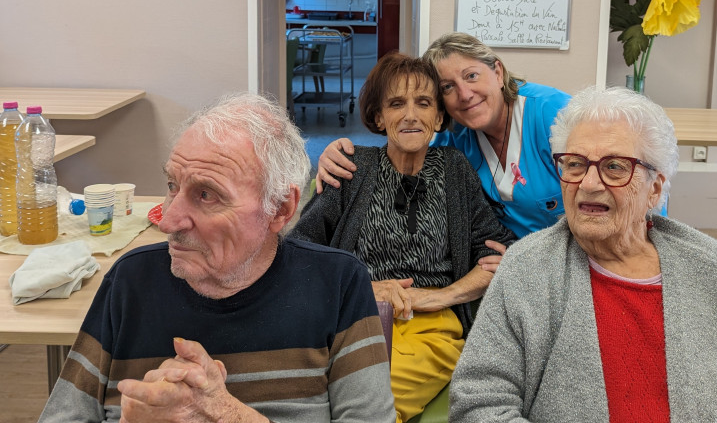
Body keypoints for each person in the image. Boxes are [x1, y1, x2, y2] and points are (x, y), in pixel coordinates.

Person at [449, 85, 717, 423]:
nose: (588, 183)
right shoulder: (526, 271)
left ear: (655, 190)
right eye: (574, 164)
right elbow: (479, 401)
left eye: (615, 166)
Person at [39, 93, 395, 423]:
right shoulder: (132, 280)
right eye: (172, 186)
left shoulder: (337, 282)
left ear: (281, 209)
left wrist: (227, 415)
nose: (170, 221)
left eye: (207, 194)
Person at [290, 53, 516, 423]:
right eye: (397, 103)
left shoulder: (455, 170)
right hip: (350, 323)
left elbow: (497, 254)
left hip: (431, 329)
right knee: (310, 396)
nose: (411, 115)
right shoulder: (352, 168)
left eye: (423, 103)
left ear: (439, 117)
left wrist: (440, 296)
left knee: (372, 402)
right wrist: (364, 288)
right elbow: (297, 255)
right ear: (380, 117)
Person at [316, 32, 570, 238]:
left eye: (471, 76)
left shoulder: (554, 114)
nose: (464, 94)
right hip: (509, 256)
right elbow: (409, 151)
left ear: (498, 72)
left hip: (573, 254)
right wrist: (337, 154)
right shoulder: (455, 138)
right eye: (447, 87)